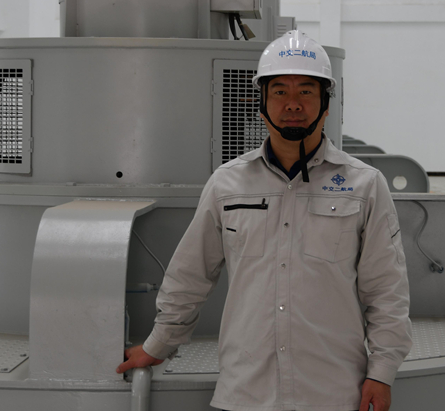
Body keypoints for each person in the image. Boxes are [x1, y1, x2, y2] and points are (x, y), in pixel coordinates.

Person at [116, 30, 412, 411]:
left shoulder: (365, 186)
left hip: (333, 395)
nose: (293, 103)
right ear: (262, 103)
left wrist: (382, 371)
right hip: (245, 394)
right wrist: (159, 345)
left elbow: (386, 290)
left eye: (306, 91)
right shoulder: (227, 185)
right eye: (280, 91)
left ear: (326, 104)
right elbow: (190, 276)